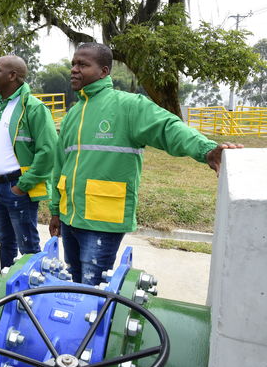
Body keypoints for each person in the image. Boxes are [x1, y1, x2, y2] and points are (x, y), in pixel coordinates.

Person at [49, 42, 243, 285]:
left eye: (83, 64)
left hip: (102, 221)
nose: (74, 70)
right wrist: (55, 210)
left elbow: (168, 128)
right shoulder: (72, 115)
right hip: (69, 219)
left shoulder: (129, 106)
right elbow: (60, 166)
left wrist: (206, 150)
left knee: (94, 291)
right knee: (74, 284)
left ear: (104, 71)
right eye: (73, 64)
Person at [0, 55, 58, 270]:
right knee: (4, 243)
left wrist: (22, 186)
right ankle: (7, 286)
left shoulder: (33, 108)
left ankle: (31, 293)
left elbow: (48, 151)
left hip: (18, 188)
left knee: (27, 247)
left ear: (12, 76)